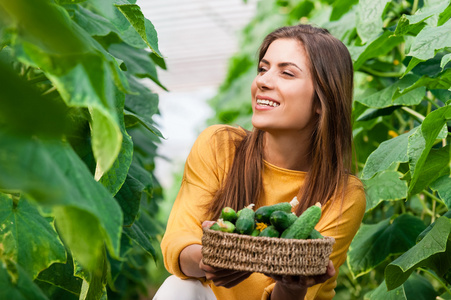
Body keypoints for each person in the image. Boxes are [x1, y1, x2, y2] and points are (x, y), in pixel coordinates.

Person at [154, 24, 366, 300]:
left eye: (287, 73)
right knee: (179, 287)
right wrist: (210, 257)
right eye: (263, 69)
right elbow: (177, 242)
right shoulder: (219, 146)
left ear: (322, 98)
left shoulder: (344, 194)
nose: (263, 81)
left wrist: (293, 284)